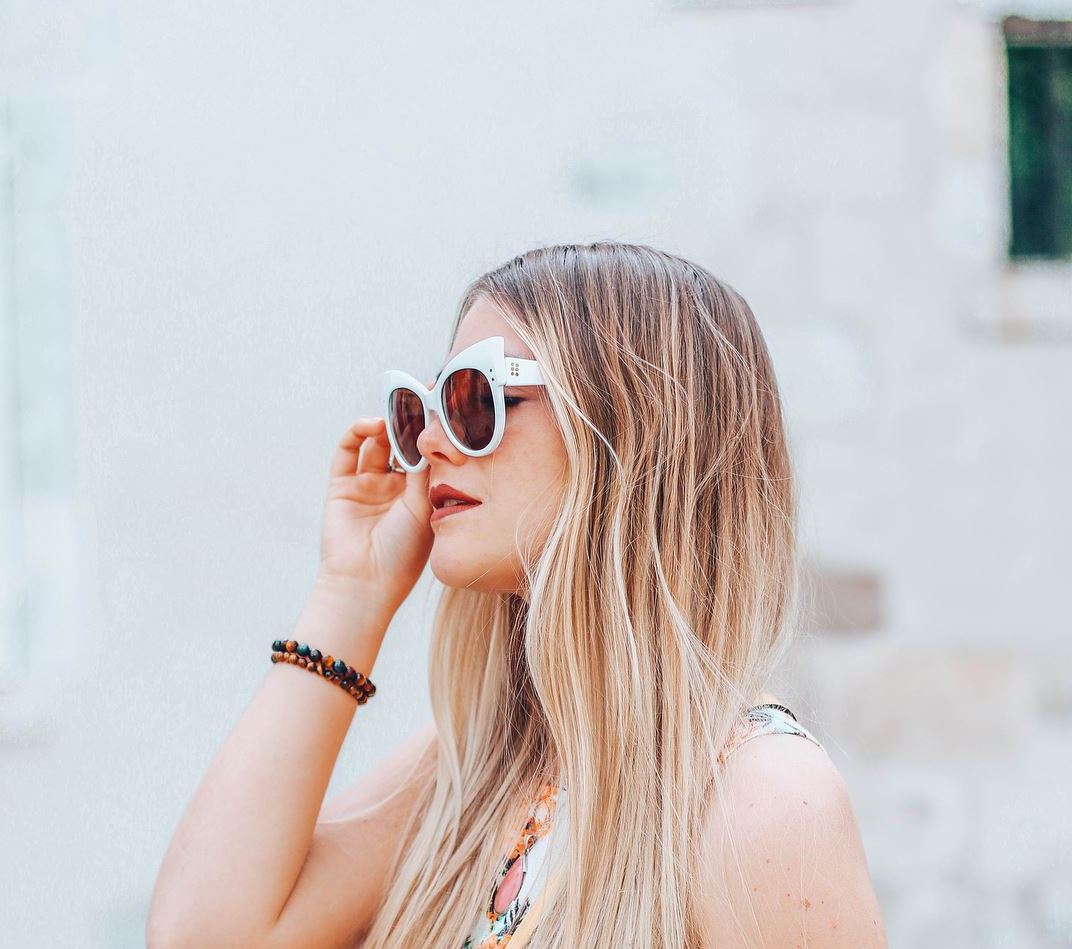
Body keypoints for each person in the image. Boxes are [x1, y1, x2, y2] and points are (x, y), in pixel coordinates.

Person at [147, 241, 888, 948]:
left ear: (628, 431)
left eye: (475, 398)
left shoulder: (762, 801)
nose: (433, 440)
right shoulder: (468, 778)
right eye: (422, 408)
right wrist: (352, 590)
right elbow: (203, 934)